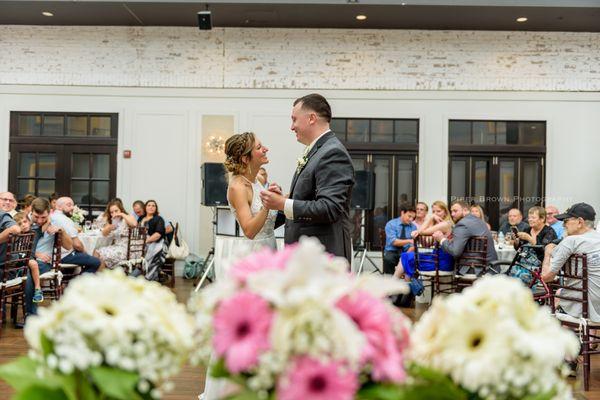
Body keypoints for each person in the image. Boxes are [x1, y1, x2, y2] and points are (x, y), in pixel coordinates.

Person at [260, 93, 355, 265]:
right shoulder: (318, 150)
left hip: (323, 258)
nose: (291, 126)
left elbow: (329, 207)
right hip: (307, 257)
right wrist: (286, 199)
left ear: (312, 118)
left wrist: (282, 203)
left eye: (294, 119)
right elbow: (310, 197)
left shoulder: (333, 152)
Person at [541, 203, 600, 322]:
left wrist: (547, 252)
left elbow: (546, 277)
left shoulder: (571, 241)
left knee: (551, 303)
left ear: (580, 222)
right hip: (597, 303)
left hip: (583, 307)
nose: (563, 225)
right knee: (561, 292)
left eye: (566, 221)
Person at [224, 132, 277, 249]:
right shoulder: (238, 188)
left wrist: (278, 197)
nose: (266, 149)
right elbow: (249, 232)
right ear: (246, 159)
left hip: (271, 245)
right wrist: (266, 206)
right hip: (255, 250)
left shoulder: (259, 179)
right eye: (259, 147)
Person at [28, 197, 73, 316]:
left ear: (49, 212)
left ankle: (32, 314)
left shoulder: (55, 222)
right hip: (25, 259)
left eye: (43, 217)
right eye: (36, 217)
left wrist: (61, 231)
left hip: (43, 264)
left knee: (29, 274)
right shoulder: (24, 221)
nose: (39, 220)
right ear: (31, 211)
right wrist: (36, 254)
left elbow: (69, 246)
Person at [432, 200, 497, 275]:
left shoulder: (462, 224)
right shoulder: (478, 221)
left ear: (465, 210)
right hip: (491, 267)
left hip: (475, 269)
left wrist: (441, 239)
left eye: (455, 211)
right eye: (451, 211)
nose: (452, 214)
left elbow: (455, 252)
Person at [395, 201, 454, 279]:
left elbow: (421, 232)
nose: (435, 214)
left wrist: (430, 218)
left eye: (438, 211)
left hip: (441, 262)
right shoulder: (438, 224)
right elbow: (426, 242)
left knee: (408, 257)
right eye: (433, 212)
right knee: (408, 257)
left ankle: (397, 282)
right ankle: (406, 286)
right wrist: (431, 222)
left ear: (445, 212)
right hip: (436, 258)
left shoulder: (445, 224)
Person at [53, 197, 104, 273]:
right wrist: (85, 252)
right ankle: (80, 282)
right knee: (96, 262)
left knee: (85, 258)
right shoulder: (65, 220)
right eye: (69, 205)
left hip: (53, 256)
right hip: (64, 256)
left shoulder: (52, 216)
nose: (72, 207)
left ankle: (68, 281)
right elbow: (77, 245)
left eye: (73, 205)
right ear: (59, 207)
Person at [96, 200, 138, 269]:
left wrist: (121, 214)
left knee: (98, 254)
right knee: (97, 252)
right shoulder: (114, 221)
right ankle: (103, 275)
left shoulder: (127, 217)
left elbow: (134, 224)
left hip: (128, 250)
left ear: (121, 210)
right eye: (112, 212)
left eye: (116, 211)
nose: (114, 213)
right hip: (117, 247)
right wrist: (109, 227)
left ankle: (101, 276)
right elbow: (103, 234)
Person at [13, 212, 44, 303]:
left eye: (25, 221)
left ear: (29, 221)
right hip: (18, 258)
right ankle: (17, 274)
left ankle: (38, 288)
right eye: (19, 224)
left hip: (28, 258)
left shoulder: (35, 231)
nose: (23, 225)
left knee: (33, 263)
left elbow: (46, 223)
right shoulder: (16, 235)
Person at [382, 205, 417, 275]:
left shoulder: (413, 227)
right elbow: (394, 242)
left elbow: (414, 245)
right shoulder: (391, 224)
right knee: (388, 259)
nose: (411, 220)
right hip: (392, 251)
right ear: (402, 213)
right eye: (409, 216)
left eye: (413, 218)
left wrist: (407, 253)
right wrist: (409, 241)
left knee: (415, 259)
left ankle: (409, 282)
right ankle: (389, 280)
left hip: (406, 251)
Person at [138, 199, 167, 280]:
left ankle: (149, 277)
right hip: (142, 241)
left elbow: (158, 234)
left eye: (153, 206)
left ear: (156, 208)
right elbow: (137, 231)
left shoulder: (158, 219)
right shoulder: (141, 218)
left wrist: (146, 241)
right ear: (145, 207)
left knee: (154, 251)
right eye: (149, 205)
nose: (151, 207)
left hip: (156, 241)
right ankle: (138, 274)